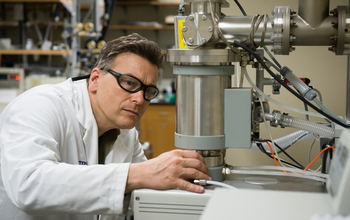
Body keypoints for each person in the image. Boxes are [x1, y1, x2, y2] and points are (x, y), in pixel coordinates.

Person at [0, 33, 211, 220]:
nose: (139, 99)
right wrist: (139, 174)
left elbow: (142, 194)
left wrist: (182, 180)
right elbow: (27, 185)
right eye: (129, 83)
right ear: (95, 79)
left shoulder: (125, 132)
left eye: (148, 91)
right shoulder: (40, 105)